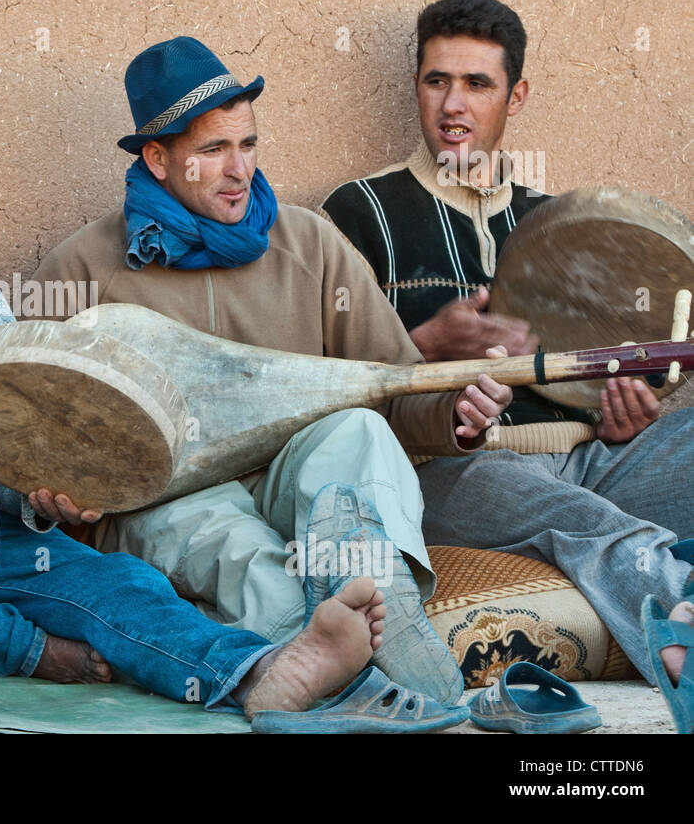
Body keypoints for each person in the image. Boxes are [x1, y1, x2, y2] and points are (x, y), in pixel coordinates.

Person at [0, 83, 430, 730]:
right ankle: (26, 647)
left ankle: (262, 670)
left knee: (117, 581)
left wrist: (41, 493)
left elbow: (18, 422)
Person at [30, 37, 515, 705]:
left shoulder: (308, 242)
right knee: (224, 538)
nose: (239, 171)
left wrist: (453, 412)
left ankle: (384, 607)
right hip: (170, 497)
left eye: (248, 144)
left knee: (358, 433)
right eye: (212, 151)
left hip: (297, 475)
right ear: (157, 158)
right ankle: (352, 662)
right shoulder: (83, 268)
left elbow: (394, 386)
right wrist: (55, 490)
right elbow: (33, 435)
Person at [321, 0, 694, 685]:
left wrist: (619, 416)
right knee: (585, 521)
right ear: (416, 87)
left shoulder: (554, 220)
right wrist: (426, 342)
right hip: (457, 470)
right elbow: (328, 378)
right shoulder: (359, 212)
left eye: (477, 84)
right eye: (437, 81)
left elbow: (595, 377)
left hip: (592, 461)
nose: (453, 105)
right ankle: (682, 635)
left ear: (515, 96)